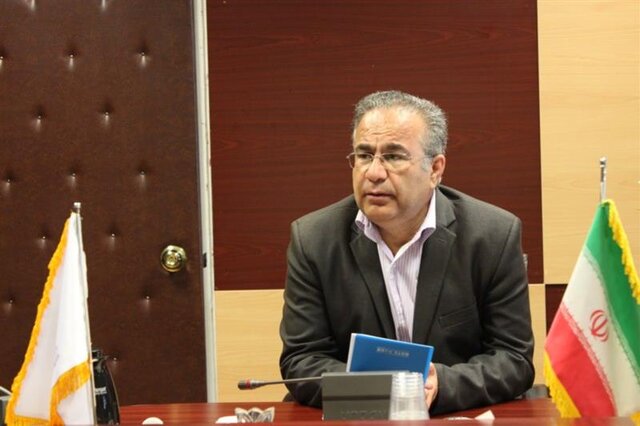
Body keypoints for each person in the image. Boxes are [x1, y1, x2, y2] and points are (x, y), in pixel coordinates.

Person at [279, 90, 534, 415]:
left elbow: (513, 359)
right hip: (356, 418)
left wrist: (442, 384)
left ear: (435, 169)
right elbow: (301, 359)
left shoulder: (492, 236)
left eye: (393, 157)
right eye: (364, 155)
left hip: (453, 415)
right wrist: (386, 393)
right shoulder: (314, 239)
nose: (374, 173)